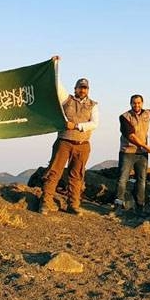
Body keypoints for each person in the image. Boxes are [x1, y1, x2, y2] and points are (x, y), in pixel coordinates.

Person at [40, 75, 99, 216]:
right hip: (64, 142)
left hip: (82, 144)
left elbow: (94, 123)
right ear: (75, 88)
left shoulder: (93, 105)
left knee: (77, 175)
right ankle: (45, 202)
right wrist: (54, 65)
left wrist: (76, 126)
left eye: (85, 88)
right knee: (54, 171)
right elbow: (56, 85)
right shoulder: (67, 100)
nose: (82, 90)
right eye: (80, 88)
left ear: (88, 90)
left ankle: (73, 204)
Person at [114, 94, 150, 215]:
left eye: (139, 103)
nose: (137, 105)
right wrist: (146, 147)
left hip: (142, 154)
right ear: (130, 104)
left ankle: (140, 207)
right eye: (134, 103)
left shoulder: (147, 114)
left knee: (141, 181)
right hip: (128, 152)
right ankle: (118, 206)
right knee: (122, 180)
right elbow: (131, 136)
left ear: (142, 103)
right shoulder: (124, 117)